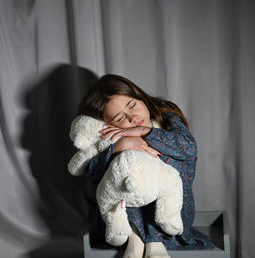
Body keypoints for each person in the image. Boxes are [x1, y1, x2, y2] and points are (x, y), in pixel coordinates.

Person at [78, 74, 214, 258]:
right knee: (125, 171)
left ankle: (153, 240)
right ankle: (136, 237)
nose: (132, 118)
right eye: (119, 118)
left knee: (169, 160)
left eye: (133, 105)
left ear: (140, 97)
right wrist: (121, 145)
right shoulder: (111, 137)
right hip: (124, 223)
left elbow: (188, 149)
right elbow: (92, 174)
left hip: (167, 217)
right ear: (107, 124)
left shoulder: (166, 116)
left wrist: (143, 132)